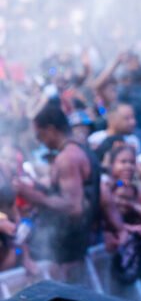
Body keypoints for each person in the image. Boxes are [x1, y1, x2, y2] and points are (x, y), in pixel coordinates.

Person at [13, 102, 102, 282]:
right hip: (74, 246)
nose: (40, 141)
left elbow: (73, 207)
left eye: (40, 135)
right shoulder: (80, 151)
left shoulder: (67, 157)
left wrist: (31, 195)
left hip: (65, 249)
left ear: (51, 130)